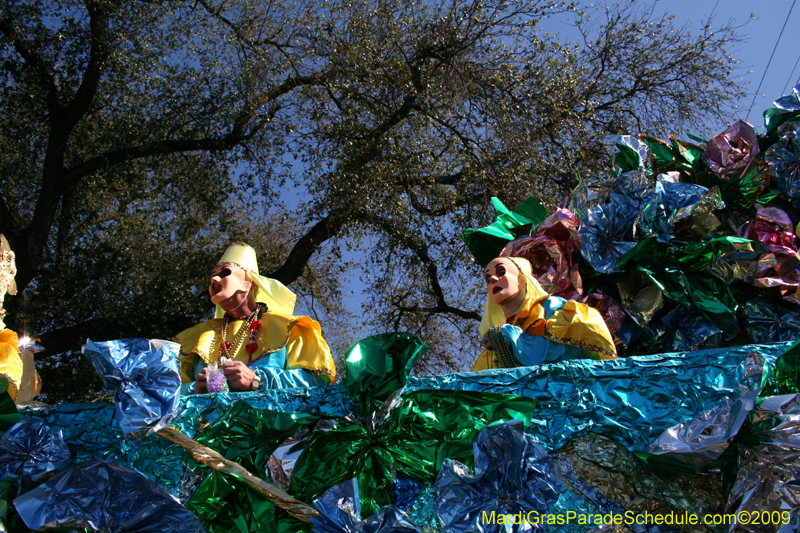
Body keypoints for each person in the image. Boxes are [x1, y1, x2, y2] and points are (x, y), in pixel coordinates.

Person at [174, 243, 336, 393]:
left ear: (249, 284)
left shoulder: (292, 328)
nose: (214, 280)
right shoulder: (191, 340)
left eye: (225, 273)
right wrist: (193, 389)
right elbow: (167, 393)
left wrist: (257, 380)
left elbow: (317, 383)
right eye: (212, 277)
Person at [472, 256, 617, 371]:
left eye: (501, 272)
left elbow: (576, 352)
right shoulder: (496, 340)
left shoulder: (553, 307)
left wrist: (516, 340)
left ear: (522, 279)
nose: (493, 279)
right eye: (488, 278)